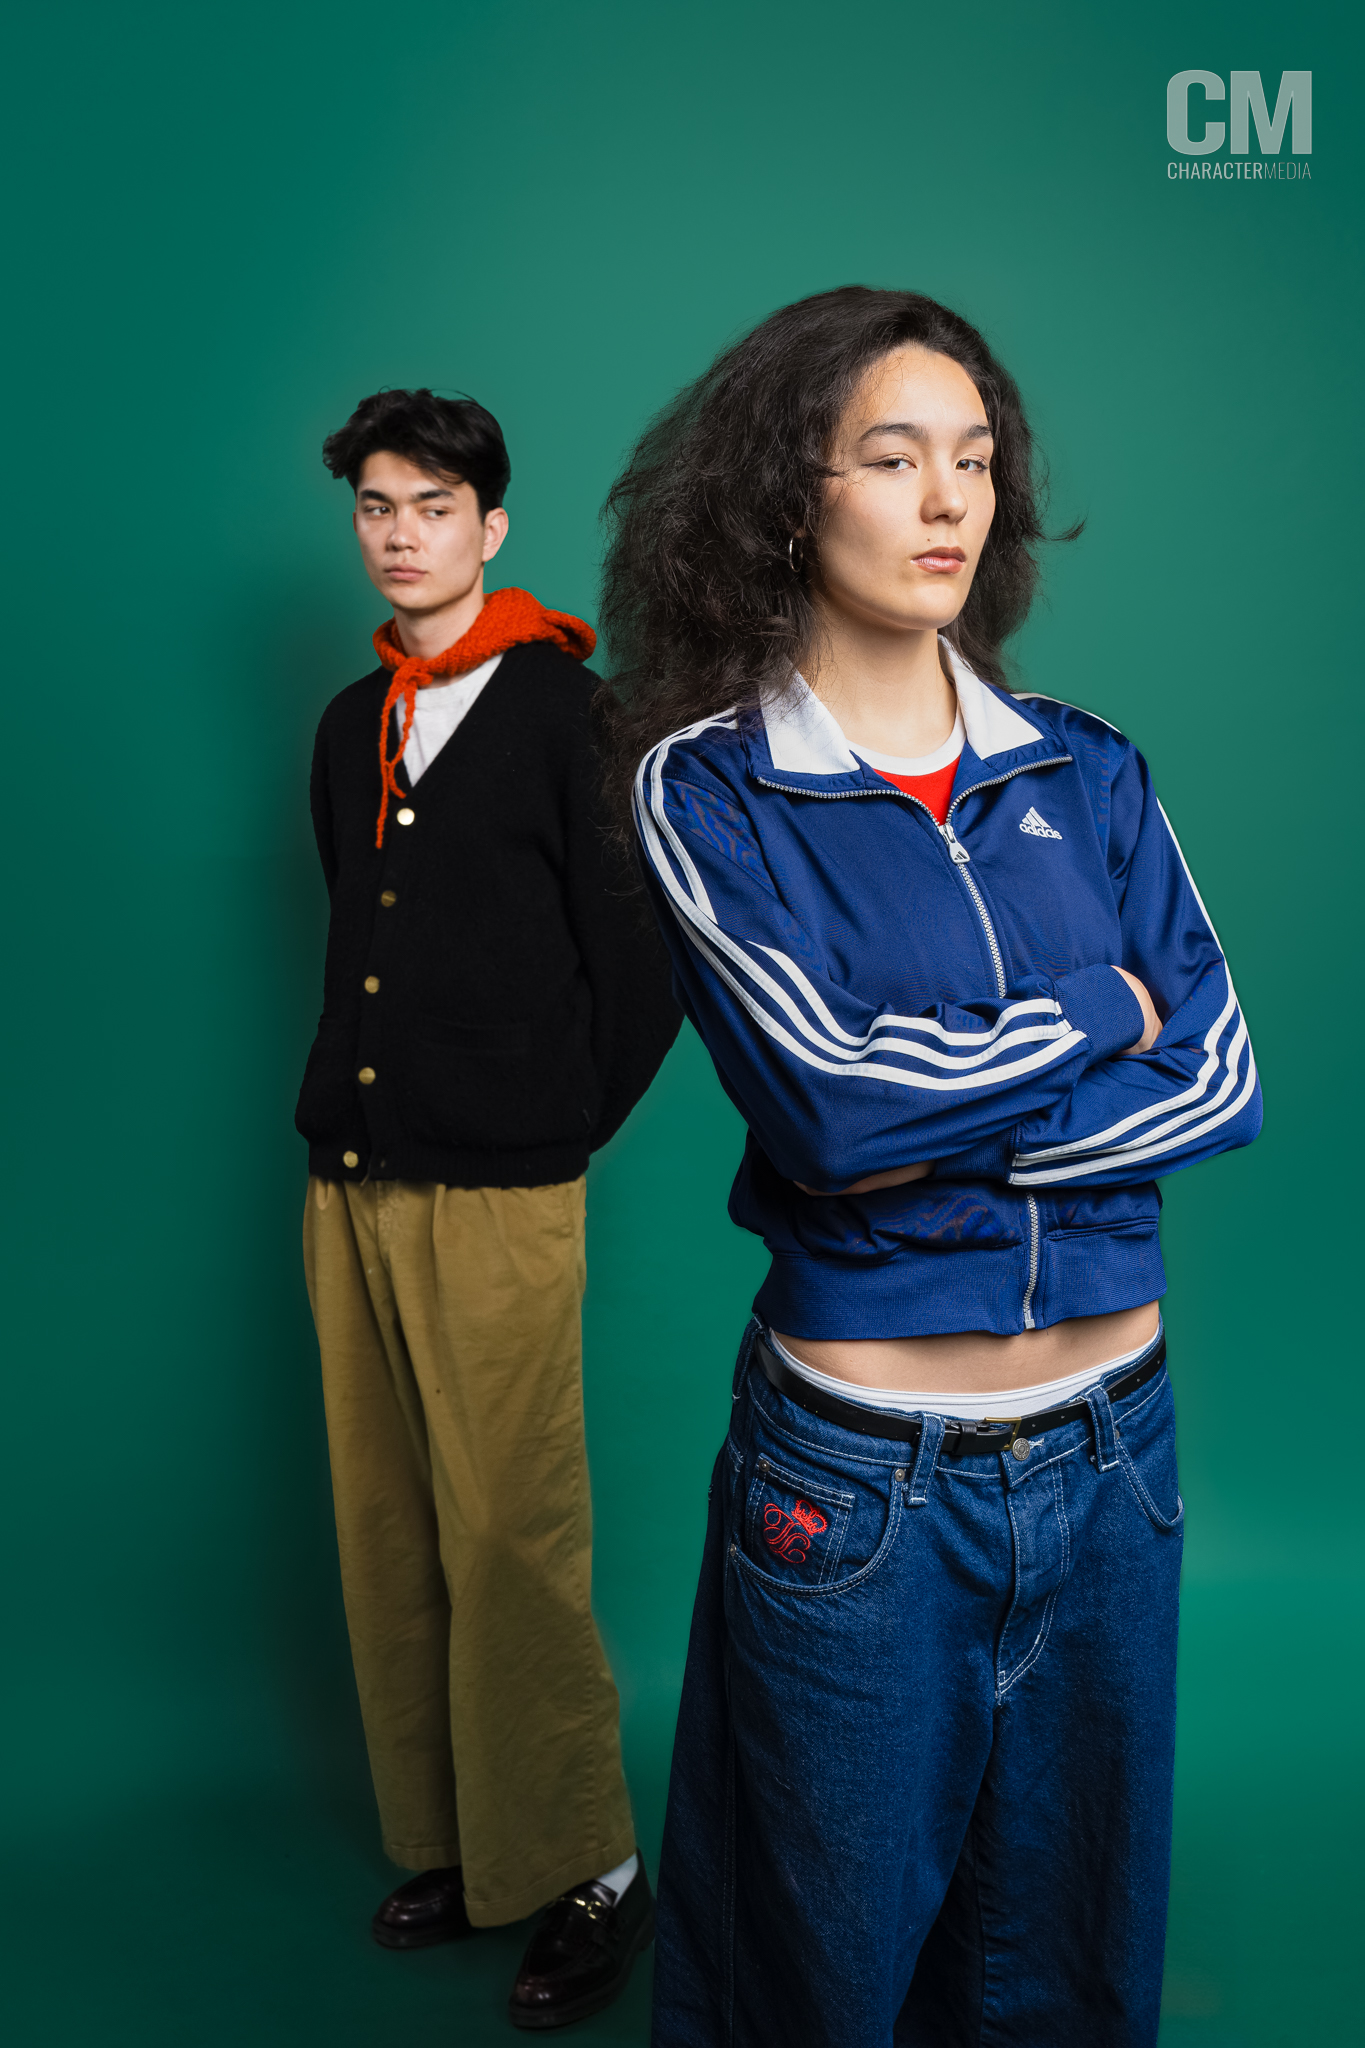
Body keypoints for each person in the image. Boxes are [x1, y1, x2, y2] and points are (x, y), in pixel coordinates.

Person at [599, 289, 1262, 2046]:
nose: (947, 499)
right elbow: (821, 1105)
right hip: (861, 1493)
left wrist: (942, 1130)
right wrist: (1086, 1005)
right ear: (785, 499)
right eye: (892, 459)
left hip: (1118, 1461)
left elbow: (1216, 1073)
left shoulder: (1090, 768)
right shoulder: (709, 791)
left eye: (973, 460)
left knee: (1071, 1967)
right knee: (813, 1977)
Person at [298, 387, 678, 2028]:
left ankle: (585, 1865)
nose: (402, 533)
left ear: (492, 526)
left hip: (499, 1187)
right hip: (353, 1179)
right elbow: (363, 923)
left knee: (512, 1532)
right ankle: (465, 1839)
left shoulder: (568, 716)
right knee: (391, 1530)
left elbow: (644, 969)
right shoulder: (347, 722)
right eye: (378, 506)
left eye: (432, 505)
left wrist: (547, 1127)